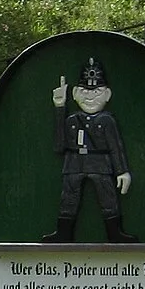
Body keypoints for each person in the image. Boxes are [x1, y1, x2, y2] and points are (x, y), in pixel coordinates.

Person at [47, 56, 135, 243]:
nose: (90, 97)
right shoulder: (71, 120)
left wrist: (122, 171)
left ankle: (115, 233)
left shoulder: (107, 120)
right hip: (74, 163)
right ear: (76, 93)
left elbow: (115, 146)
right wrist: (59, 107)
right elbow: (59, 145)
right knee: (68, 198)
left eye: (96, 92)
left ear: (107, 94)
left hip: (100, 163)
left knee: (108, 197)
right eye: (85, 92)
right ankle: (63, 233)